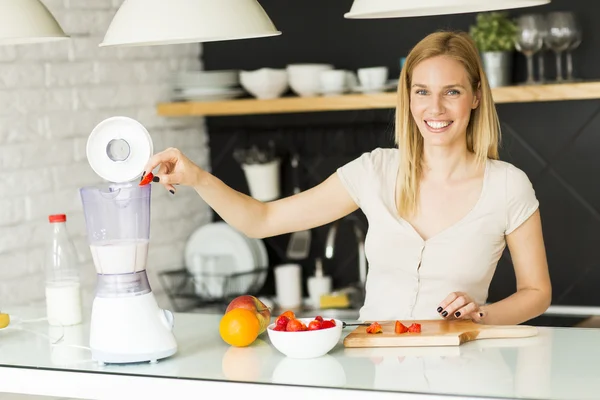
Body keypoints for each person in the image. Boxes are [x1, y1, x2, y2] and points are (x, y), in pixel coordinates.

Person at [143, 31, 551, 325]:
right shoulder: (374, 171)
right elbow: (261, 221)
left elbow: (537, 293)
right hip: (376, 371)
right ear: (407, 97)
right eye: (422, 91)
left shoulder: (507, 186)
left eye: (453, 92)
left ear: (476, 97)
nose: (435, 107)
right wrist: (196, 177)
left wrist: (482, 314)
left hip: (464, 374)